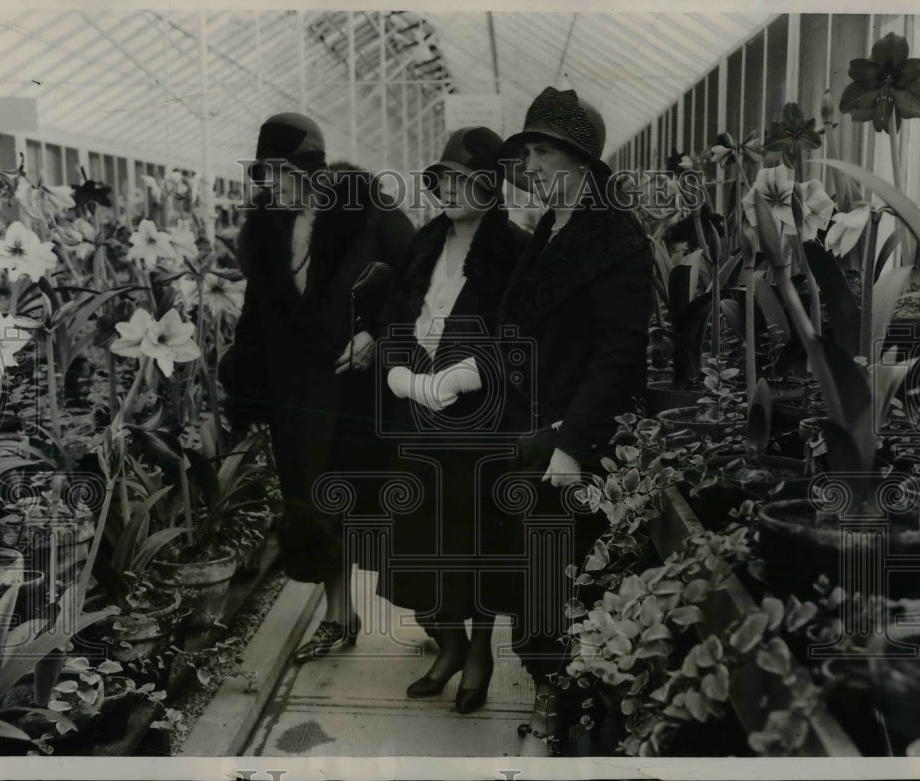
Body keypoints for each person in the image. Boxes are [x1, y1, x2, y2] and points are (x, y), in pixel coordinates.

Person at [485, 87, 655, 755]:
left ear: (581, 162)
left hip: (573, 442)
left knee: (562, 576)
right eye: (525, 150)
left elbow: (619, 353)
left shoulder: (614, 236)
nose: (528, 163)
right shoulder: (555, 225)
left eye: (542, 150)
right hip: (534, 430)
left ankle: (565, 707)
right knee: (534, 574)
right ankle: (550, 688)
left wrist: (575, 445)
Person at [219, 112, 415, 663]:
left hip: (359, 387)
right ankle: (339, 614)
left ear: (310, 168)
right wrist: (247, 388)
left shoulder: (368, 209)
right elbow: (257, 313)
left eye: (280, 172)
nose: (271, 184)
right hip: (296, 391)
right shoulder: (265, 228)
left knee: (364, 497)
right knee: (312, 504)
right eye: (264, 173)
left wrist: (378, 335)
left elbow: (416, 280)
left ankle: (431, 611)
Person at [376, 127, 529, 713]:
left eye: (469, 179)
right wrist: (403, 376)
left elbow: (520, 334)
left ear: (493, 187)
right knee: (419, 541)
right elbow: (398, 315)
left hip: (480, 426)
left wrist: (461, 377)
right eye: (445, 177)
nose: (454, 188)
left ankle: (481, 653)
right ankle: (448, 643)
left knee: (475, 541)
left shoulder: (514, 249)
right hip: (415, 420)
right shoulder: (423, 243)